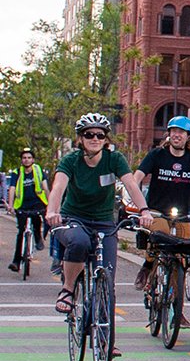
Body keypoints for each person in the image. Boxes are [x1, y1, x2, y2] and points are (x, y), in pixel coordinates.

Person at [45, 114, 155, 315]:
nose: (95, 139)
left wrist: (144, 211)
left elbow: (131, 184)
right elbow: (58, 187)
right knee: (79, 242)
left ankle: (106, 343)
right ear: (80, 139)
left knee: (107, 281)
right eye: (89, 134)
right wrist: (52, 211)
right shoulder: (71, 160)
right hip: (73, 218)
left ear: (106, 139)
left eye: (100, 135)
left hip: (104, 223)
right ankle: (68, 289)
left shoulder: (114, 159)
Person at [131, 115, 190, 327]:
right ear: (168, 135)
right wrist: (137, 201)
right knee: (158, 238)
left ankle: (177, 308)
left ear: (188, 136)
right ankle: (148, 266)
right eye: (173, 131)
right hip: (157, 211)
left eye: (181, 132)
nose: (176, 135)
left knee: (182, 255)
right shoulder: (157, 155)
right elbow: (136, 177)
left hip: (184, 213)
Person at [7, 148, 49, 272]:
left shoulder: (38, 170)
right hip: (22, 205)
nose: (27, 160)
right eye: (24, 158)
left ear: (33, 160)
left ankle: (38, 238)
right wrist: (10, 205)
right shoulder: (17, 172)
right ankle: (16, 261)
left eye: (29, 158)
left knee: (37, 223)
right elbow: (12, 188)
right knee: (21, 233)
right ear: (21, 160)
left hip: (37, 204)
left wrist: (50, 203)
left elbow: (45, 187)